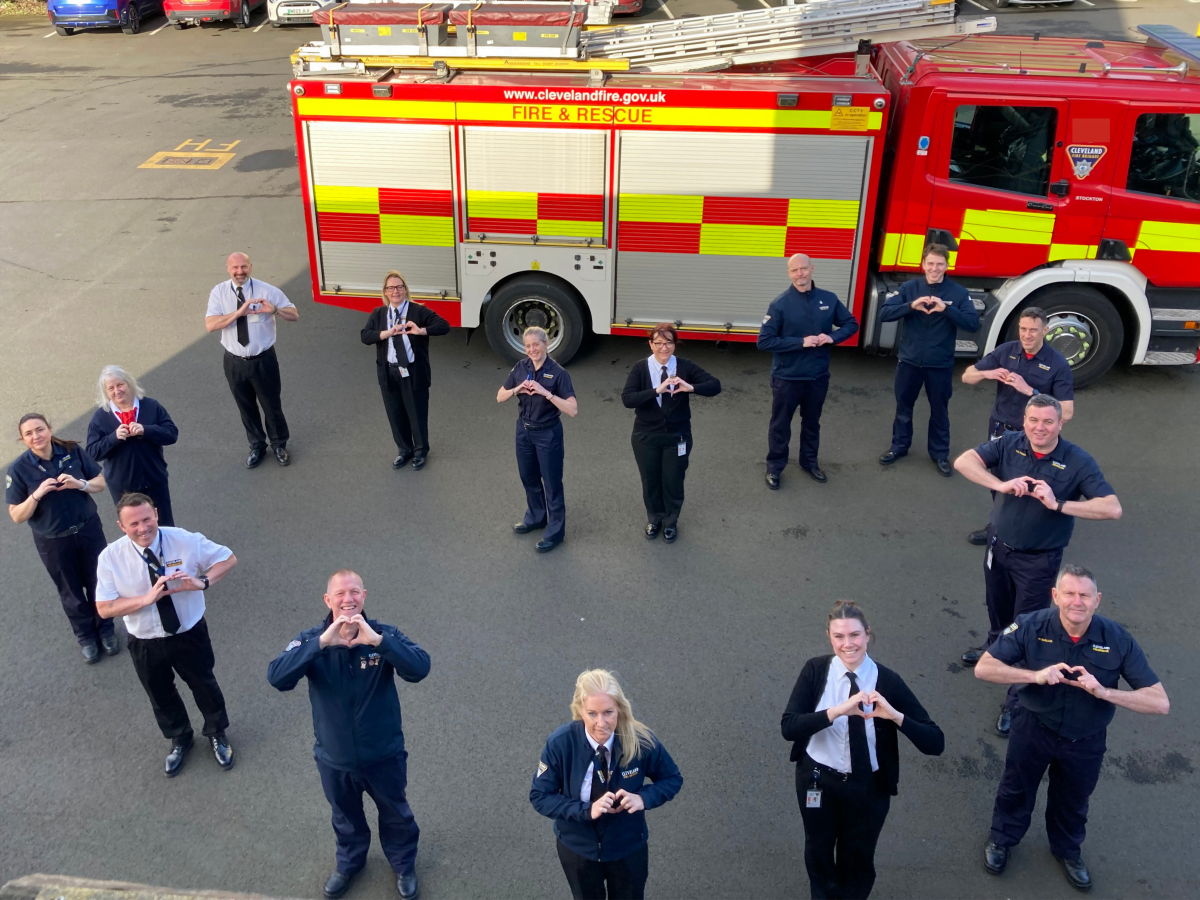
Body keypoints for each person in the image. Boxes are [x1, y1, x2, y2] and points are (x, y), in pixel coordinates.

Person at [975, 564, 1169, 893]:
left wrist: (1105, 692)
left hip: (1086, 738)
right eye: (1069, 593)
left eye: (1084, 595)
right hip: (1033, 727)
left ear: (1097, 600)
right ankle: (1003, 840)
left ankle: (1067, 852)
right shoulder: (1030, 625)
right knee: (1016, 788)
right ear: (1055, 596)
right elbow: (984, 668)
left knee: (1074, 799)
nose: (1076, 601)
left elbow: (1159, 702)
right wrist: (1033, 676)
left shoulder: (1118, 638)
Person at [954, 394, 1121, 736]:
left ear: (1061, 423)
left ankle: (1015, 702)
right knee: (997, 609)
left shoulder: (1077, 460)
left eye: (1048, 421)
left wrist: (1057, 504)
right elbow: (964, 462)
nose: (1039, 428)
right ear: (1024, 420)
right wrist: (1000, 484)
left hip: (1039, 561)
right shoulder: (1010, 442)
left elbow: (1111, 508)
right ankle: (993, 647)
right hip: (998, 548)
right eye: (1033, 420)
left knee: (1027, 630)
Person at [268, 570, 430, 900]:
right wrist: (321, 644)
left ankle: (403, 865)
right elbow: (278, 677)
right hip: (334, 758)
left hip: (384, 754)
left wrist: (380, 643)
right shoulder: (312, 639)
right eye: (340, 594)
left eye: (354, 592)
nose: (348, 599)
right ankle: (349, 863)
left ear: (364, 595)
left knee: (396, 814)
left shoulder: (385, 634)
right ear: (328, 600)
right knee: (345, 817)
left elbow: (420, 668)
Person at [781, 601, 944, 900]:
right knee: (817, 848)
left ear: (868, 634)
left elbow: (935, 742)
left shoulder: (889, 682)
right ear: (829, 637)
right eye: (839, 636)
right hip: (817, 779)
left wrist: (895, 716)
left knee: (857, 856)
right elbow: (789, 727)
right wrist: (837, 711)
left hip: (867, 787)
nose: (847, 644)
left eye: (854, 635)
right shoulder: (815, 670)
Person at [95, 493, 238, 776]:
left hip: (188, 631)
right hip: (145, 640)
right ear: (121, 526)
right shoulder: (110, 557)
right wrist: (145, 600)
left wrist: (203, 582)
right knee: (159, 693)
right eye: (133, 523)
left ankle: (216, 733)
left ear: (157, 514)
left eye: (147, 519)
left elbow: (228, 559)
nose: (143, 527)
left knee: (204, 683)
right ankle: (180, 737)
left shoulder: (184, 539)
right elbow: (104, 607)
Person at [530, 668, 683, 900]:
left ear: (619, 709)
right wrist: (586, 810)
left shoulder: (641, 741)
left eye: (608, 712)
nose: (601, 723)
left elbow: (672, 778)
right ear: (580, 710)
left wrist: (642, 798)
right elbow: (540, 796)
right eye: (592, 713)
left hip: (628, 848)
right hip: (578, 850)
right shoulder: (561, 744)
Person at [8, 413, 115, 663]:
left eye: (40, 429)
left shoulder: (72, 451)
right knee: (71, 592)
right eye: (29, 434)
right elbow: (16, 515)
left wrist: (80, 484)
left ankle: (107, 630)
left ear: (49, 429)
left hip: (88, 530)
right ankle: (87, 638)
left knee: (100, 581)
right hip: (53, 540)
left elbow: (100, 482)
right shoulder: (19, 469)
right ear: (23, 439)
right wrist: (36, 495)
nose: (36, 436)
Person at [962, 306, 1074, 544]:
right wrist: (987, 374)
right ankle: (997, 526)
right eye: (1023, 329)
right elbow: (967, 376)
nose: (1027, 335)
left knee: (1028, 486)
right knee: (999, 482)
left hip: (1032, 436)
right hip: (1000, 430)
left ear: (1045, 331)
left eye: (1033, 330)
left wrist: (1030, 391)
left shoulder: (1058, 364)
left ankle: (1029, 532)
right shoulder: (1006, 351)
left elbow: (1067, 412)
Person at [877, 244, 979, 477]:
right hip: (909, 361)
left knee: (939, 410)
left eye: (940, 264)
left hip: (939, 364)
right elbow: (884, 313)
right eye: (930, 263)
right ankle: (899, 447)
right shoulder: (909, 288)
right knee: (904, 407)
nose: (935, 268)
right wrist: (910, 305)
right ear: (923, 264)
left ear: (947, 265)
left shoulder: (958, 293)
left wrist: (946, 309)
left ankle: (940, 454)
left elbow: (973, 324)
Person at [757, 253, 859, 489]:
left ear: (812, 268)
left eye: (803, 269)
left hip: (817, 376)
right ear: (789, 273)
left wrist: (832, 337)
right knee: (780, 425)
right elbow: (764, 342)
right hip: (787, 377)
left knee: (812, 423)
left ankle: (809, 463)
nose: (800, 274)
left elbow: (851, 323)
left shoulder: (828, 299)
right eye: (794, 270)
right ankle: (774, 468)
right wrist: (800, 342)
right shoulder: (780, 304)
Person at [620, 324, 721, 543]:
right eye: (658, 343)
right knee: (650, 480)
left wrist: (691, 387)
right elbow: (627, 399)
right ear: (650, 344)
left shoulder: (684, 366)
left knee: (673, 480)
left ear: (675, 344)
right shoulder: (640, 368)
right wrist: (656, 390)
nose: (663, 348)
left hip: (677, 436)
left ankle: (671, 521)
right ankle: (655, 519)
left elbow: (715, 386)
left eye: (668, 343)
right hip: (646, 436)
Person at [205, 251, 299, 469]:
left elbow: (294, 314)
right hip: (234, 361)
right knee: (245, 406)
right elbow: (210, 325)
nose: (240, 272)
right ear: (228, 269)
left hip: (262, 360)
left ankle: (278, 444)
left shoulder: (267, 290)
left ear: (251, 267)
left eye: (244, 267)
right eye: (235, 268)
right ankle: (257, 445)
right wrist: (239, 313)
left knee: (271, 404)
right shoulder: (219, 292)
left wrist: (274, 309)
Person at [497, 326, 578, 553]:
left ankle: (555, 532)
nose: (532, 349)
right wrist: (516, 389)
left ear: (546, 344)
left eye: (536, 344)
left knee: (552, 484)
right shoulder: (520, 368)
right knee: (528, 477)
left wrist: (546, 393)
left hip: (548, 433)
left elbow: (572, 410)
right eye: (528, 346)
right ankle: (536, 517)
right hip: (524, 431)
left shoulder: (559, 373)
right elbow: (499, 396)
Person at [360, 270, 451, 470]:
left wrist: (421, 331)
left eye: (400, 287)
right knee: (395, 413)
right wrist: (386, 333)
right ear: (385, 292)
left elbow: (444, 326)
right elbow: (365, 336)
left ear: (405, 290)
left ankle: (420, 451)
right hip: (389, 372)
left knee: (416, 413)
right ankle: (404, 450)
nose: (396, 291)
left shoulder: (418, 311)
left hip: (412, 372)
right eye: (391, 288)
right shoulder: (379, 313)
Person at [86, 365, 180, 526]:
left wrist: (146, 430)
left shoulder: (151, 406)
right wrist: (113, 438)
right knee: (135, 530)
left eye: (120, 385)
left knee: (164, 526)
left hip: (154, 480)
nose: (117, 391)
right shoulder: (101, 417)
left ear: (129, 384)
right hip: (123, 488)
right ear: (106, 393)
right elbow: (92, 453)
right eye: (111, 388)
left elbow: (171, 434)